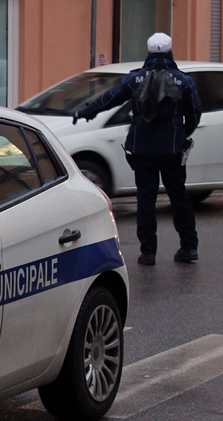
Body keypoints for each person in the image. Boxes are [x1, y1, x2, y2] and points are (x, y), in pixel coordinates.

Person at [73, 33, 202, 266]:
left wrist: (85, 112)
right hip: (172, 149)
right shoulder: (184, 81)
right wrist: (183, 134)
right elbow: (194, 114)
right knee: (179, 196)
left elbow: (109, 99)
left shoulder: (136, 79)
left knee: (145, 198)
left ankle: (148, 252)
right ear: (171, 50)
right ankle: (188, 246)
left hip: (142, 148)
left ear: (149, 51)